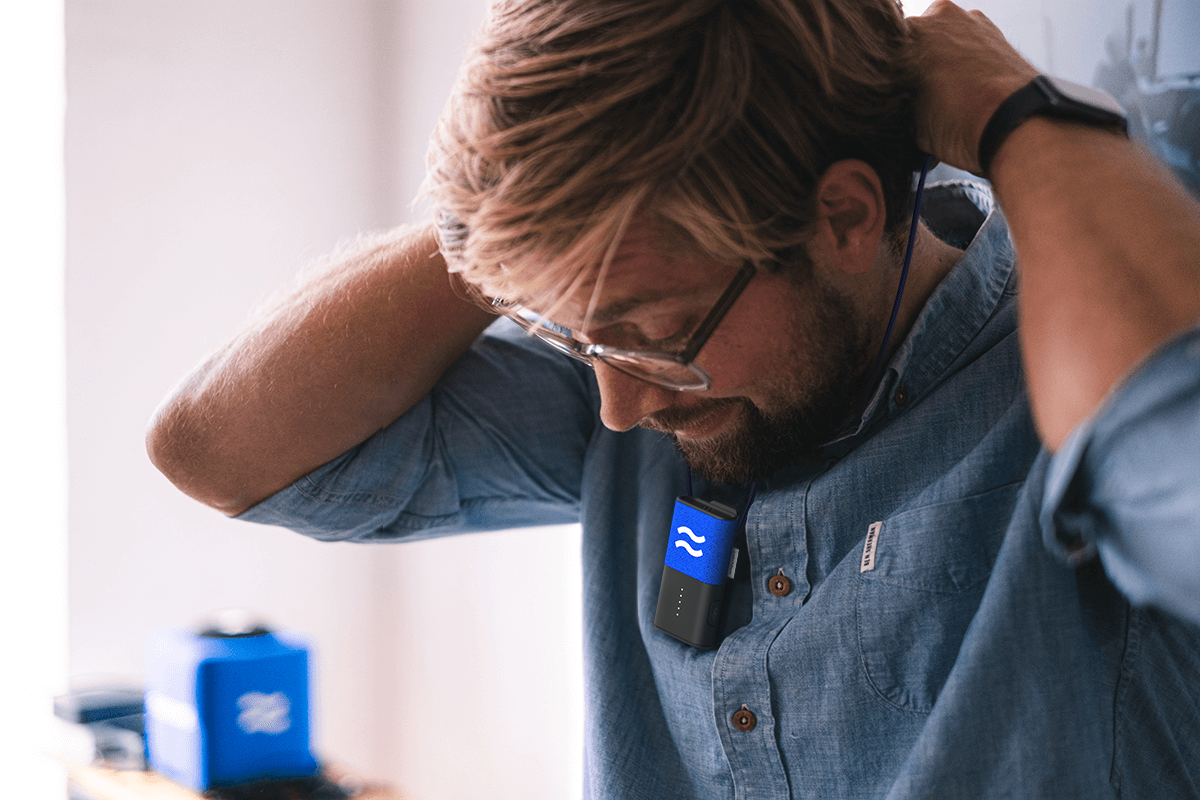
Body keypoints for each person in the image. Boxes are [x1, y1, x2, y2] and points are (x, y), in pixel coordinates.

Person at [147, 0, 1200, 796]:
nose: (616, 405)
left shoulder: (1070, 381)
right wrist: (524, 206)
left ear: (842, 216)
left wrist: (1016, 118)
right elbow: (218, 449)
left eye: (656, 336)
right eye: (579, 334)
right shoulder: (641, 386)